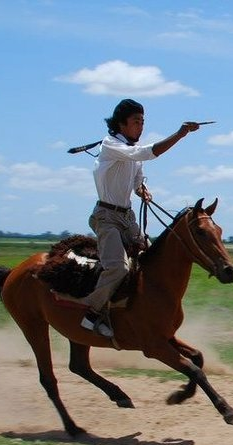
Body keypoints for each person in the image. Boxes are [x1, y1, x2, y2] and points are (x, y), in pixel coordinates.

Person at [78, 99, 200, 337]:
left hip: (127, 217)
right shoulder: (111, 144)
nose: (141, 126)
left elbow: (137, 177)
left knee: (154, 259)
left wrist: (141, 189)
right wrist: (179, 134)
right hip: (106, 217)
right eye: (136, 121)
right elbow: (143, 153)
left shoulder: (131, 150)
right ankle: (91, 313)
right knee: (119, 268)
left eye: (143, 121)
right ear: (121, 124)